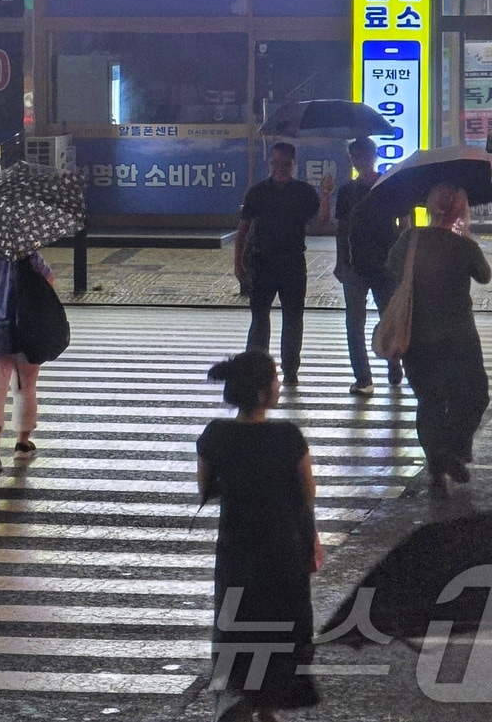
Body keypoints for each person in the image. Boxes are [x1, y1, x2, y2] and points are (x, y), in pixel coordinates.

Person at [197, 350, 321, 722]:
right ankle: (269, 706)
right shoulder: (288, 436)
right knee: (282, 623)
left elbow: (205, 489)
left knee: (238, 622)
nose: (279, 384)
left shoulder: (215, 435)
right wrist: (311, 539)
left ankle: (240, 697)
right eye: (276, 378)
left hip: (237, 548)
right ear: (265, 391)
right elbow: (307, 493)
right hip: (283, 547)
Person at [387, 184, 492, 492]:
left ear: (431, 208)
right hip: (459, 335)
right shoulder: (463, 245)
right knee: (474, 394)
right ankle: (452, 452)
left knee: (429, 399)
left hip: (417, 334)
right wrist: (467, 235)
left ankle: (436, 463)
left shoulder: (411, 238)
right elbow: (484, 275)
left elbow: (392, 268)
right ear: (461, 212)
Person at [234, 142, 328, 385]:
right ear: (270, 164)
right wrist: (238, 263)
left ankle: (290, 369)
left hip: (293, 263)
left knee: (293, 319)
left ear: (294, 165)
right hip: (262, 262)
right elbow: (242, 230)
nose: (280, 168)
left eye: (285, 164)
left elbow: (321, 222)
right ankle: (256, 367)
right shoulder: (257, 192)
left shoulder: (304, 192)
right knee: (259, 318)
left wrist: (326, 194)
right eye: (276, 163)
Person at [324, 137, 404, 395]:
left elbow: (404, 222)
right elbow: (341, 229)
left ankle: (394, 363)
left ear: (374, 156)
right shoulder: (348, 191)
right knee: (354, 323)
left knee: (388, 318)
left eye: (365, 155)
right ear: (353, 160)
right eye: (357, 157)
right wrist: (340, 261)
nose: (361, 161)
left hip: (385, 262)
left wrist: (402, 257)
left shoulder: (389, 186)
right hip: (355, 263)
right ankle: (363, 378)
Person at [0, 250, 54, 477]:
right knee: (25, 387)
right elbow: (49, 284)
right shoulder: (30, 258)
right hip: (25, 328)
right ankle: (22, 445)